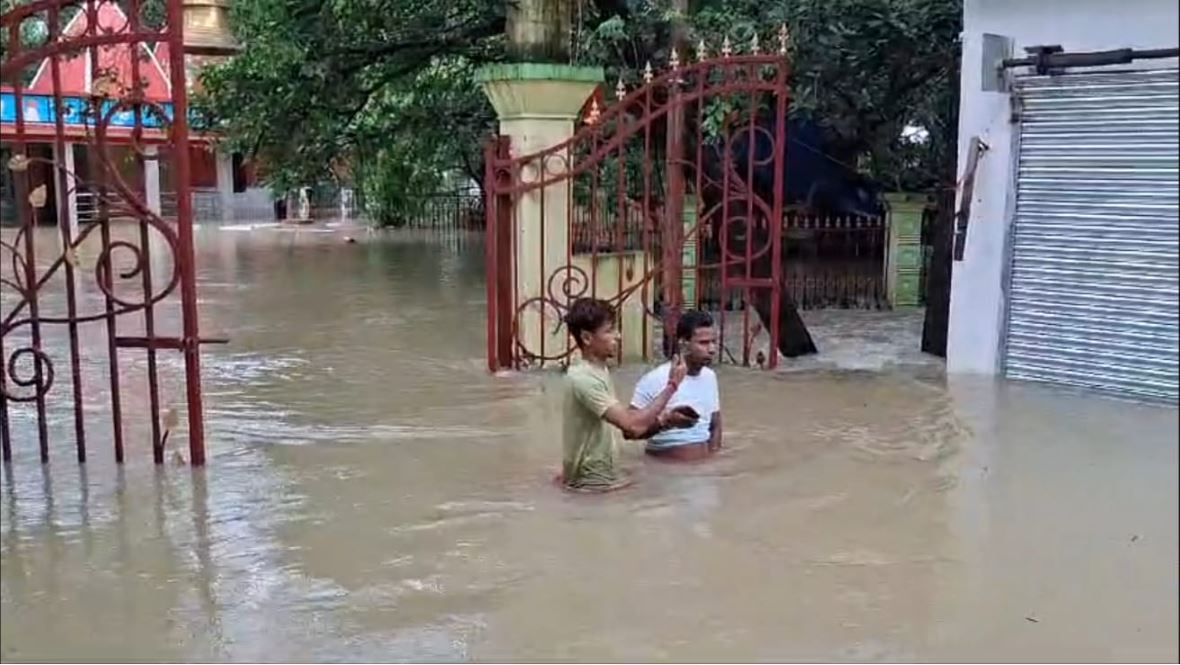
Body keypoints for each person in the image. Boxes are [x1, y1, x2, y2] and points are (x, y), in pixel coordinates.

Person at [561, 298, 697, 492]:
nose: (618, 336)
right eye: (609, 331)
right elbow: (632, 425)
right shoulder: (585, 379)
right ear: (587, 338)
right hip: (593, 482)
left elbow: (630, 430)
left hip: (599, 476)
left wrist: (665, 420)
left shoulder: (597, 370)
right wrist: (672, 385)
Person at [631, 310, 721, 462]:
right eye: (703, 343)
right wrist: (666, 422)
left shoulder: (710, 377)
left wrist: (713, 461)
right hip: (665, 473)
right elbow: (631, 429)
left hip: (703, 474)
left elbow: (715, 425)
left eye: (714, 342)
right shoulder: (654, 379)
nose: (712, 349)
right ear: (683, 343)